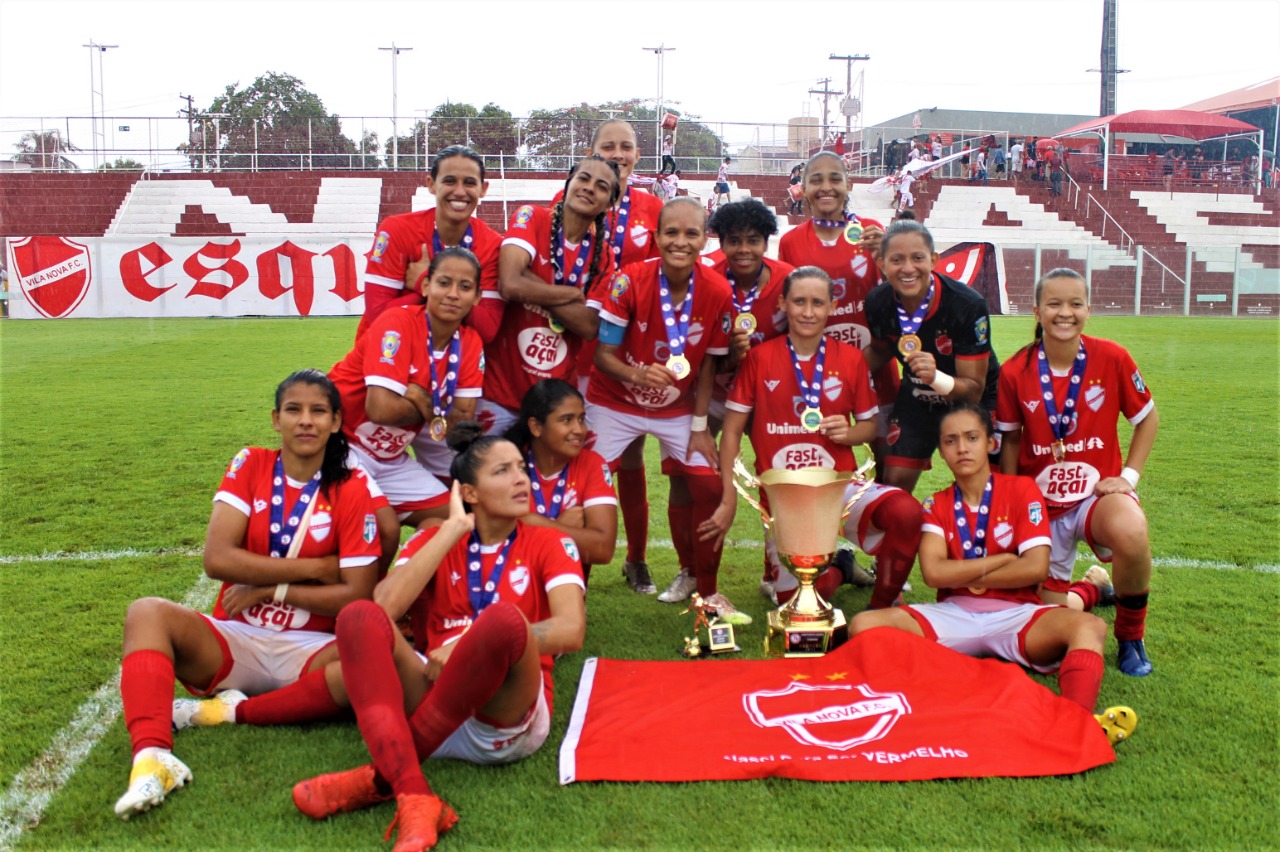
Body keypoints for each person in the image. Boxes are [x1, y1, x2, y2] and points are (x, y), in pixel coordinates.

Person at [289, 425, 586, 850]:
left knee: (503, 621)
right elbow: (384, 606)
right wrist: (451, 530)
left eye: (522, 468)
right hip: (433, 693)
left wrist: (467, 646)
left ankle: (378, 778)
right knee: (357, 617)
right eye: (503, 471)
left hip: (502, 718)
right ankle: (416, 795)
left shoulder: (551, 541)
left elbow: (570, 630)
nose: (522, 478)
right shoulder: (435, 538)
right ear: (469, 493)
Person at [113, 370, 385, 819]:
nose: (306, 421)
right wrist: (314, 569)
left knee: (369, 659)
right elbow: (218, 558)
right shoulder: (252, 463)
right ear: (275, 419)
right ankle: (152, 756)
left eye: (318, 411)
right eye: (294, 410)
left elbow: (356, 594)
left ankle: (223, 713)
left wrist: (271, 587)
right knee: (146, 613)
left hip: (313, 651)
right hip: (238, 637)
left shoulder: (351, 487)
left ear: (336, 422)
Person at [849, 403, 1139, 744]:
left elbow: (1035, 567)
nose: (962, 448)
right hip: (955, 614)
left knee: (1090, 626)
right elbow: (934, 574)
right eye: (950, 440)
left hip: (1017, 616)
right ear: (941, 451)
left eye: (972, 437)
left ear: (989, 443)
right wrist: (1000, 561)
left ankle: (1076, 722)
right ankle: (911, 707)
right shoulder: (936, 504)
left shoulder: (1022, 490)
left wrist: (962, 572)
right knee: (864, 625)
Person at [702, 267, 923, 611]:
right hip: (787, 503)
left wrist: (849, 433)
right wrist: (729, 497)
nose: (808, 312)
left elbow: (870, 427)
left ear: (832, 307)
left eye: (817, 303)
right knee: (801, 604)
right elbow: (731, 431)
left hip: (841, 488)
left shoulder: (850, 359)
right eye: (799, 301)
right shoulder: (760, 358)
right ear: (782, 304)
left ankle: (881, 608)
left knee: (907, 513)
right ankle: (839, 568)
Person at [587, 197, 745, 622]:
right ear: (656, 237)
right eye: (671, 232)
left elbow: (710, 363)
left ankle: (706, 592)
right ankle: (571, 595)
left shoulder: (717, 289)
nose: (680, 241)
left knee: (709, 487)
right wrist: (636, 376)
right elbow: (603, 355)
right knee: (584, 490)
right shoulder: (628, 281)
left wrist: (698, 427)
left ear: (704, 238)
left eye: (691, 233)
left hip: (677, 410)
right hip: (614, 401)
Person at [996, 268, 1158, 677]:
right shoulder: (1015, 371)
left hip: (1094, 497)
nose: (1064, 313)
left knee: (1131, 529)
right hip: (1041, 506)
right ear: (1036, 311)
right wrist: (1015, 501)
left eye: (1075, 304)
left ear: (1089, 309)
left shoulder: (1112, 357)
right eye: (1053, 304)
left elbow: (1147, 419)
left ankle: (1130, 637)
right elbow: (1010, 441)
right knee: (1043, 631)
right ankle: (1092, 590)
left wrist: (1129, 478)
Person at [569, 121, 665, 596]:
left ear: (638, 154)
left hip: (629, 350)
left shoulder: (653, 209)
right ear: (591, 152)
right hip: (574, 347)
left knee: (630, 457)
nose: (618, 153)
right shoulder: (573, 199)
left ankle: (637, 558)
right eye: (608, 146)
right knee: (579, 457)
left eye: (626, 146)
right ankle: (571, 562)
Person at [329, 247, 485, 526]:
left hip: (390, 457)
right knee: (383, 526)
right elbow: (380, 409)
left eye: (465, 287)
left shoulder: (470, 342)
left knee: (457, 518)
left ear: (477, 297)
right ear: (426, 286)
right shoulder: (397, 322)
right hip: (344, 443)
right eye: (444, 283)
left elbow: (462, 423)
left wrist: (420, 397)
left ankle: (411, 569)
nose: (452, 294)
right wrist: (439, 412)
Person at [479, 156, 620, 438]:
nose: (589, 187)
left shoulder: (603, 255)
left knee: (546, 481)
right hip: (498, 393)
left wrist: (530, 283)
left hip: (552, 401)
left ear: (609, 203)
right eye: (583, 178)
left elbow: (590, 326)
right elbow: (509, 283)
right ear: (568, 185)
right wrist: (569, 295)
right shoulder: (532, 217)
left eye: (602, 186)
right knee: (492, 479)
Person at [864, 220, 1000, 496]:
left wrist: (936, 376)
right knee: (894, 486)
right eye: (896, 259)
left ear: (934, 260)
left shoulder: (966, 304)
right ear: (882, 263)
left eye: (917, 258)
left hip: (972, 398)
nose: (907, 268)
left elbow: (973, 389)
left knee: (986, 488)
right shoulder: (878, 302)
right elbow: (879, 350)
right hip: (918, 394)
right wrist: (835, 375)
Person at [356, 145, 502, 343]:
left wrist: (422, 282)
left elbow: (488, 329)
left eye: (469, 183)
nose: (460, 192)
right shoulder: (397, 231)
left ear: (483, 189)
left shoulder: (492, 245)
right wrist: (453, 294)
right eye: (449, 181)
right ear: (431, 184)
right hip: (386, 357)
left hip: (449, 364)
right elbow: (378, 318)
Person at [505, 379, 618, 585]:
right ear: (536, 427)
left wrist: (532, 522)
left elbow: (602, 549)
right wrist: (560, 528)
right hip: (510, 595)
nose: (579, 429)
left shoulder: (592, 464)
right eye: (567, 420)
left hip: (566, 602)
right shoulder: (506, 466)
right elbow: (497, 546)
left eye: (581, 419)